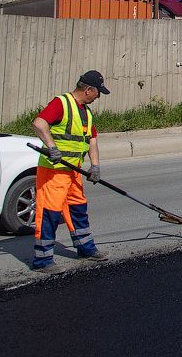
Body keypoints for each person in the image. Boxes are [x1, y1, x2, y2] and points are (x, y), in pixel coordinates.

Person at [30, 70, 110, 272]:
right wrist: (52, 147)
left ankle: (85, 248)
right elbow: (39, 123)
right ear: (89, 90)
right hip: (54, 171)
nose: (98, 96)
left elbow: (91, 140)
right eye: (98, 92)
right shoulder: (61, 103)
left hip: (73, 171)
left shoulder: (86, 112)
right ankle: (43, 260)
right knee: (50, 213)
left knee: (78, 208)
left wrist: (95, 165)